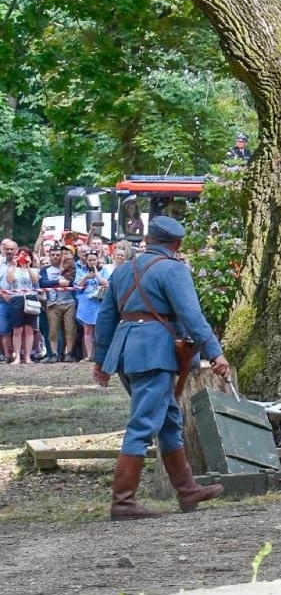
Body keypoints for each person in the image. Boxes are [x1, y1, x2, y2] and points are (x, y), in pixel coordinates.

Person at [92, 216, 229, 520]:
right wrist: (215, 353)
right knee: (143, 425)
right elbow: (192, 317)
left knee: (168, 421)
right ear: (176, 244)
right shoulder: (174, 269)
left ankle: (188, 490)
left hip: (126, 354)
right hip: (155, 353)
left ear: (150, 240)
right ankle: (123, 502)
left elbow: (105, 319)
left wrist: (100, 361)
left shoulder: (123, 270)